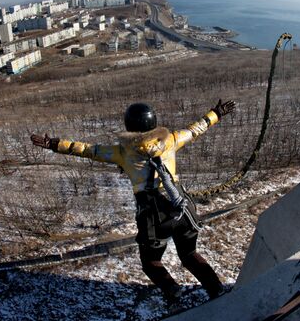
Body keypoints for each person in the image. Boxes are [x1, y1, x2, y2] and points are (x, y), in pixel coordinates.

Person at [31, 99, 236, 305]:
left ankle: (173, 291)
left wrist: (54, 144)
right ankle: (217, 290)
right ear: (154, 122)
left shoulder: (122, 152)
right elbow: (195, 130)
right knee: (189, 253)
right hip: (183, 208)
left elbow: (87, 150)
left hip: (154, 215)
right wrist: (216, 113)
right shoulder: (172, 139)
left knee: (150, 262)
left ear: (128, 126)